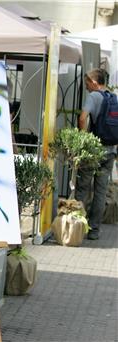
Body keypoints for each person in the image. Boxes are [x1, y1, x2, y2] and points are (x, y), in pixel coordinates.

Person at [76, 68, 117, 240]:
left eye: (87, 84)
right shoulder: (113, 97)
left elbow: (83, 118)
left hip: (94, 150)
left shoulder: (94, 97)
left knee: (83, 188)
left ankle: (77, 226)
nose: (86, 88)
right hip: (110, 150)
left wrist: (83, 140)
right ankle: (94, 230)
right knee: (100, 191)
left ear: (94, 82)